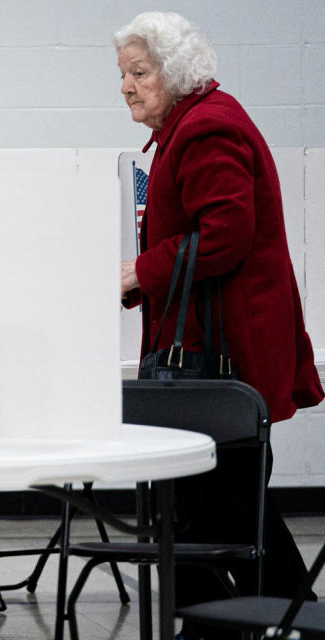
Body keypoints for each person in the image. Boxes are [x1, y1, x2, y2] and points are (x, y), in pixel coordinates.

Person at [115, 11, 324, 640]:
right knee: (214, 504)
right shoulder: (195, 124)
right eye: (122, 73)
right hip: (216, 351)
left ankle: (275, 621)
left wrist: (140, 272)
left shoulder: (206, 129)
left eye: (139, 72)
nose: (125, 85)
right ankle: (241, 623)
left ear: (174, 73)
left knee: (217, 504)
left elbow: (226, 236)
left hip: (221, 355)